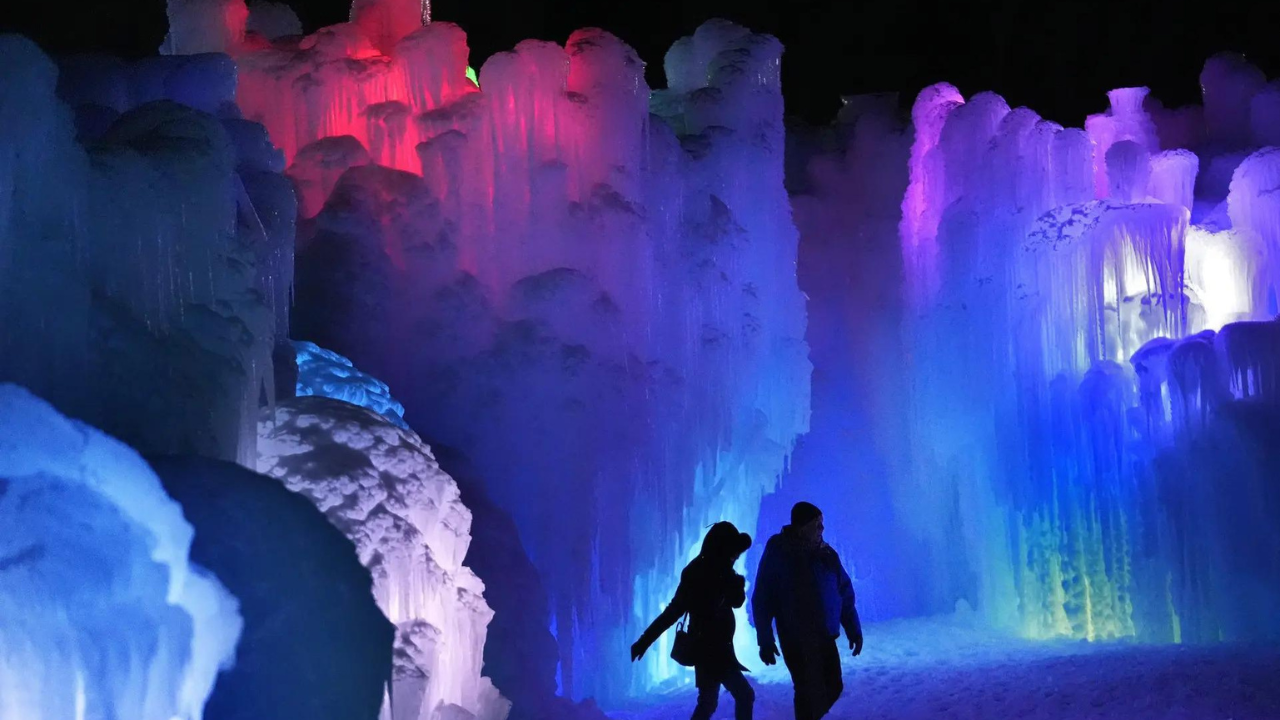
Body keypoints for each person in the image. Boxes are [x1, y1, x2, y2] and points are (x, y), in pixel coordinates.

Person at [630, 521, 755, 720]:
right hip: (709, 649)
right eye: (734, 552)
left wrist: (734, 584)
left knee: (710, 702)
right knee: (740, 695)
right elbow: (673, 612)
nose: (736, 557)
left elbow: (736, 601)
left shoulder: (722, 570)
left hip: (717, 648)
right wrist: (645, 640)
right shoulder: (699, 573)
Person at [752, 502, 862, 720]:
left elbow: (844, 592)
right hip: (795, 637)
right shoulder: (780, 550)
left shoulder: (827, 553)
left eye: (822, 524)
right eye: (817, 524)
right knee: (805, 689)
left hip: (824, 635)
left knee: (833, 685)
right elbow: (763, 597)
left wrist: (853, 628)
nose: (822, 529)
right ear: (802, 526)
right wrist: (764, 638)